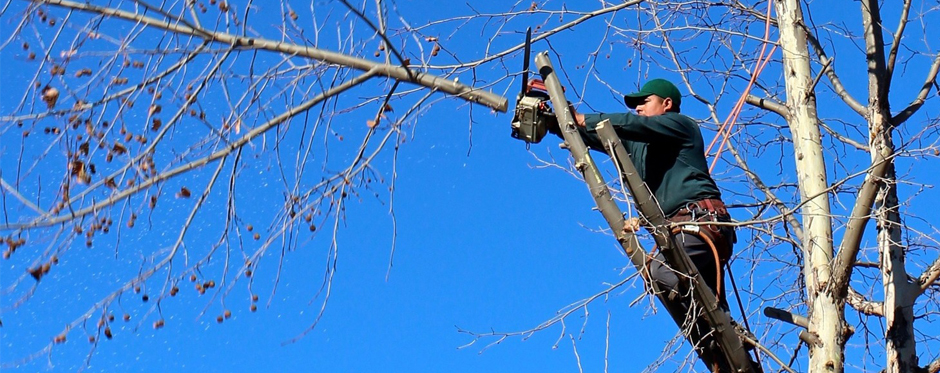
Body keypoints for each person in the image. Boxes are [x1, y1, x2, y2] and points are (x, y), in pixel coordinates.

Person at [545, 78, 738, 369]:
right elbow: (594, 134)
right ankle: (728, 350)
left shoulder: (680, 125)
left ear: (667, 104)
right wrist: (553, 119)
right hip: (680, 235)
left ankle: (726, 333)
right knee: (703, 326)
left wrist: (585, 118)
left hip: (700, 223)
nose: (637, 109)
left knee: (661, 271)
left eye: (643, 102)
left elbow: (631, 126)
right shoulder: (637, 145)